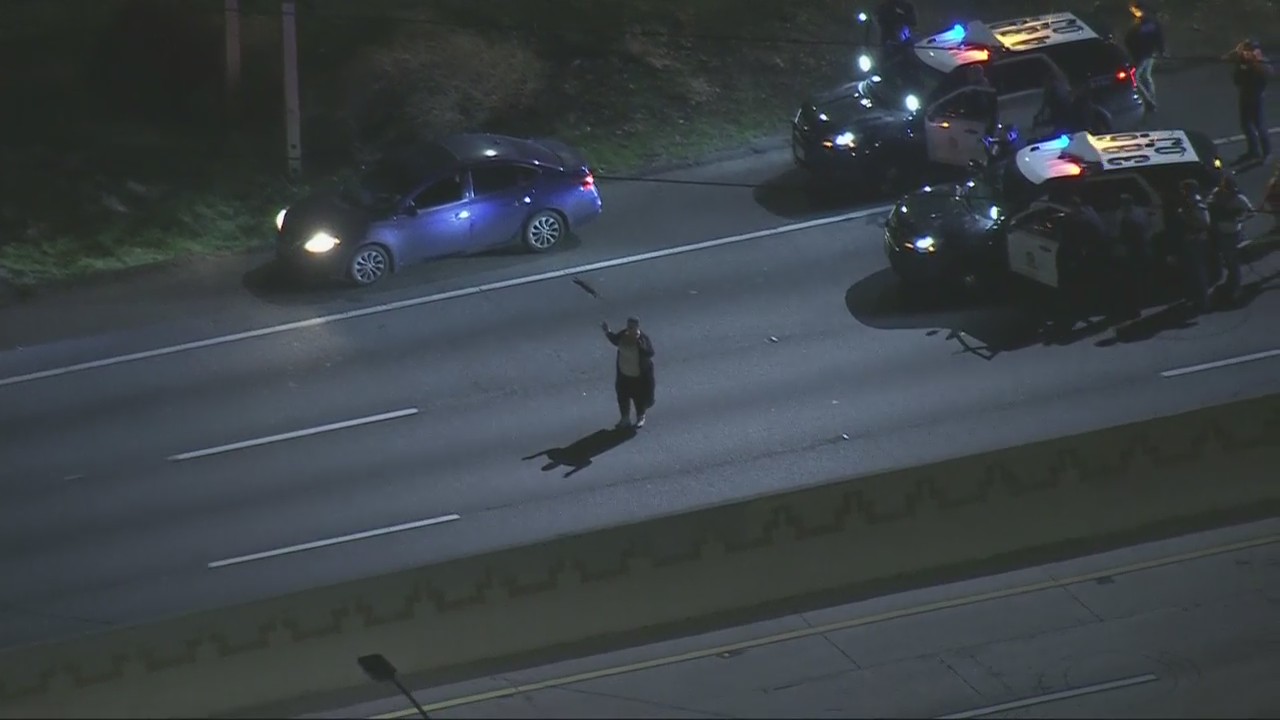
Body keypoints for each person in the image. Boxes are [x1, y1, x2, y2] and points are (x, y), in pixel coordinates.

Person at [1206, 174, 1255, 302]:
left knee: (1233, 262)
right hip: (1218, 232)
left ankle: (1236, 288)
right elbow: (1209, 204)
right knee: (1226, 259)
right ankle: (1231, 280)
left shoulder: (1239, 199)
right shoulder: (1216, 194)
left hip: (1232, 233)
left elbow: (1251, 212)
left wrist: (1239, 217)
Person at [601, 317, 655, 429]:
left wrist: (641, 346)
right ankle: (625, 418)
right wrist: (607, 332)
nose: (629, 328)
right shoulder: (623, 335)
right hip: (624, 374)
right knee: (622, 397)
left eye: (632, 327)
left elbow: (650, 353)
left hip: (638, 376)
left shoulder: (642, 339)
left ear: (637, 327)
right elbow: (615, 340)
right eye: (628, 326)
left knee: (639, 398)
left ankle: (641, 416)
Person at [1225, 39, 1272, 164]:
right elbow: (1228, 59)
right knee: (1246, 125)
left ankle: (1266, 153)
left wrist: (1254, 62)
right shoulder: (1242, 61)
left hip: (1256, 97)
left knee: (1259, 126)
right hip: (1245, 96)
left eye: (1249, 50)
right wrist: (1237, 52)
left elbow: (1268, 73)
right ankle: (1253, 150)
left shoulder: (1262, 63)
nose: (1246, 53)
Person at [1169, 179, 1213, 312]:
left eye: (1184, 190)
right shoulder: (1189, 203)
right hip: (1189, 240)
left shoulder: (1196, 204)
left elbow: (1205, 223)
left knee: (1198, 272)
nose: (1182, 193)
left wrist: (1188, 221)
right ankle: (1196, 298)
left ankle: (1204, 302)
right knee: (1192, 272)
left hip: (1196, 240)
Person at [1112, 193, 1153, 318]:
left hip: (1133, 251)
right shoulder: (1138, 213)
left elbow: (1121, 234)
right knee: (1136, 279)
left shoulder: (1128, 216)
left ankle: (1134, 308)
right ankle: (1137, 305)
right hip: (1139, 249)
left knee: (1132, 280)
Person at [1124, 2, 1165, 114]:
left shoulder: (1138, 25)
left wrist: (1132, 55)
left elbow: (1129, 41)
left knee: (1134, 78)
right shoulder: (1153, 23)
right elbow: (1159, 37)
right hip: (1150, 53)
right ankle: (1152, 99)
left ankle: (1148, 101)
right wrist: (1161, 51)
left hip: (1141, 56)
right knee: (1146, 77)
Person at [1033, 70, 1073, 135]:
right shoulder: (1050, 92)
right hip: (1057, 118)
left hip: (1062, 118)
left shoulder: (1058, 93)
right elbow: (1045, 105)